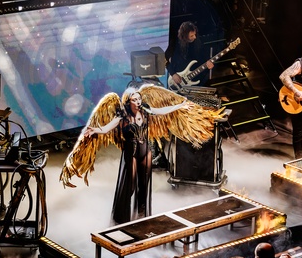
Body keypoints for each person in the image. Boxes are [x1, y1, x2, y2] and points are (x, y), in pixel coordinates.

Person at [60, 85, 218, 225]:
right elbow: (106, 128)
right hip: (131, 154)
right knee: (130, 186)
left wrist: (179, 106)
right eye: (134, 100)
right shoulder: (122, 115)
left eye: (139, 99)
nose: (138, 102)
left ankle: (142, 216)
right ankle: (121, 219)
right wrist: (94, 130)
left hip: (145, 151)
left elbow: (161, 111)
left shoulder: (145, 110)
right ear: (128, 101)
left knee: (144, 185)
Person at [166, 21, 215, 90]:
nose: (195, 37)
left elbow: (203, 57)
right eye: (191, 36)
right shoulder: (174, 44)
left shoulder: (198, 43)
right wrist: (173, 74)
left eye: (195, 34)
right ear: (185, 36)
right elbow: (165, 60)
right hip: (178, 78)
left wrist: (208, 63)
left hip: (195, 79)